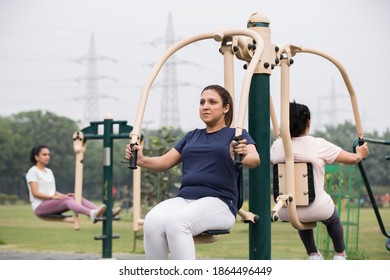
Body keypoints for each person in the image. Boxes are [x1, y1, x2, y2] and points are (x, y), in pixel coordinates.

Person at [125, 84, 260, 259]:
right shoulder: (192, 136)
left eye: (212, 102)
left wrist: (236, 154)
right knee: (152, 221)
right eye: (202, 102)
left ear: (226, 108)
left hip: (220, 202)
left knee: (177, 223)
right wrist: (142, 160)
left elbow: (255, 160)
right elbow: (164, 162)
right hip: (186, 199)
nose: (205, 106)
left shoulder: (236, 135)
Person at [270, 101, 369, 260]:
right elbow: (352, 159)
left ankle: (313, 254)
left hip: (285, 210)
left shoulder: (276, 146)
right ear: (308, 123)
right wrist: (360, 153)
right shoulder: (318, 145)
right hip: (316, 207)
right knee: (333, 220)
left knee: (297, 206)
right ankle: (340, 254)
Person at [26, 145, 120, 223]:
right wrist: (54, 197)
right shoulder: (33, 172)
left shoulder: (49, 171)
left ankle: (106, 213)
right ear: (36, 157)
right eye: (44, 154)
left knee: (76, 197)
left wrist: (64, 195)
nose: (47, 157)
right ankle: (90, 213)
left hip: (51, 202)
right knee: (67, 201)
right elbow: (35, 193)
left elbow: (52, 191)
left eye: (48, 154)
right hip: (40, 206)